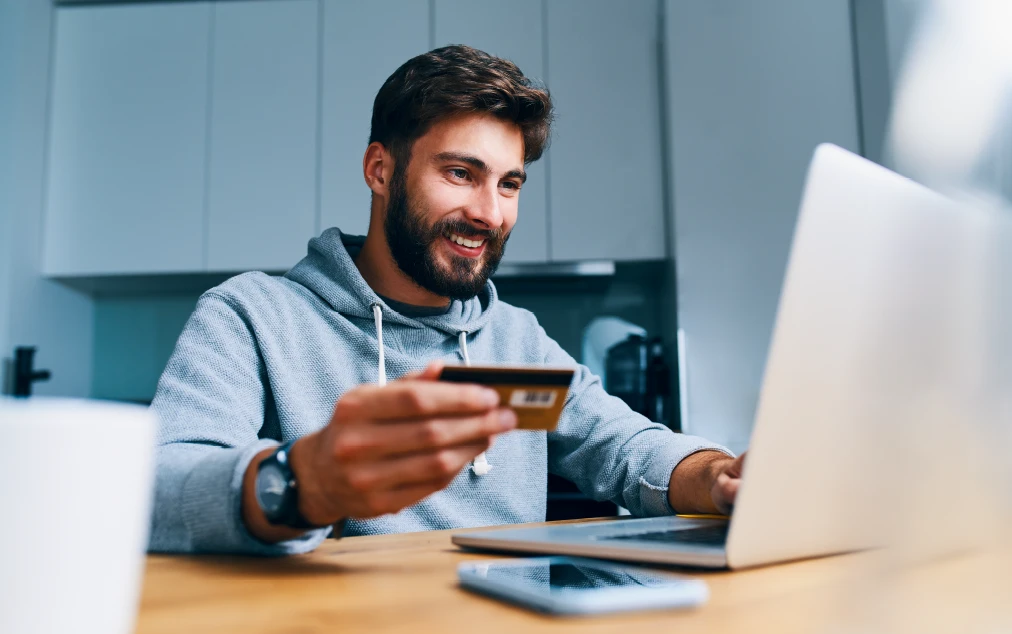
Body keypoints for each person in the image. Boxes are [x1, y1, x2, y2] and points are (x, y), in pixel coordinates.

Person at [149, 45, 744, 555]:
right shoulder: (253, 316)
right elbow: (154, 490)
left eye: (508, 184)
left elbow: (625, 447)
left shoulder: (518, 339)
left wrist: (719, 476)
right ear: (380, 171)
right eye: (461, 173)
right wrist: (303, 480)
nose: (489, 213)